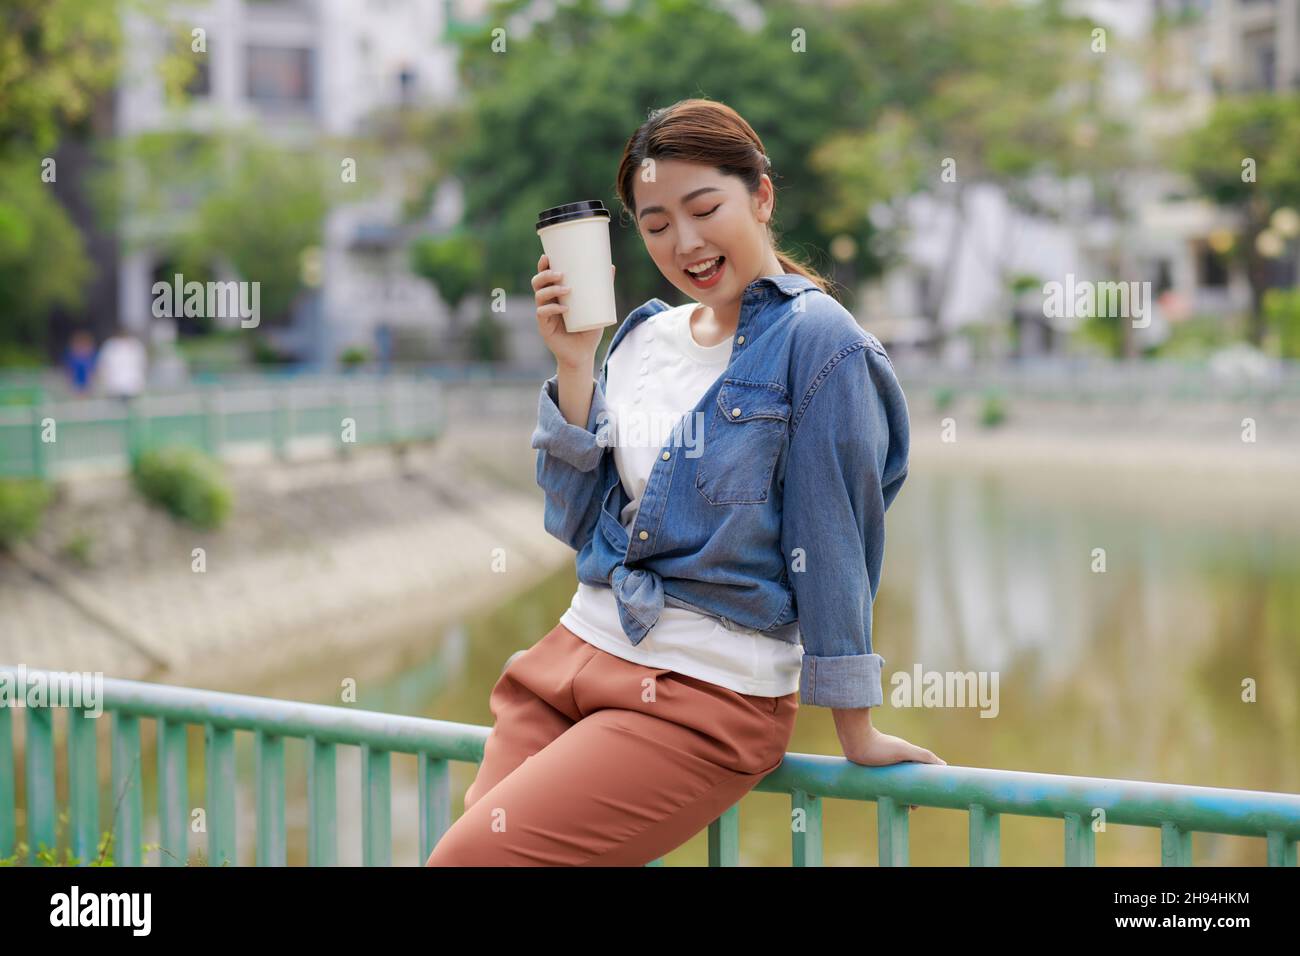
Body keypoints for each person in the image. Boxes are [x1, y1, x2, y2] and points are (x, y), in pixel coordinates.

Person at [427, 98, 943, 868]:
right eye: (657, 223)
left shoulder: (820, 342)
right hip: (567, 660)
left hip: (701, 694)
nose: (686, 243)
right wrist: (575, 363)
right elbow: (575, 523)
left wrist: (854, 727)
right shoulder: (642, 337)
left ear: (761, 197)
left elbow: (833, 538)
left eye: (706, 209)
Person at [94, 327, 148, 401]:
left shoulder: (136, 345)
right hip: (114, 388)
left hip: (132, 387)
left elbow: (143, 364)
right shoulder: (110, 346)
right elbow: (102, 367)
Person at [64, 330, 98, 395]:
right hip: (75, 384)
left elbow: (92, 371)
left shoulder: (91, 356)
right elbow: (69, 371)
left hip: (88, 384)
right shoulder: (72, 356)